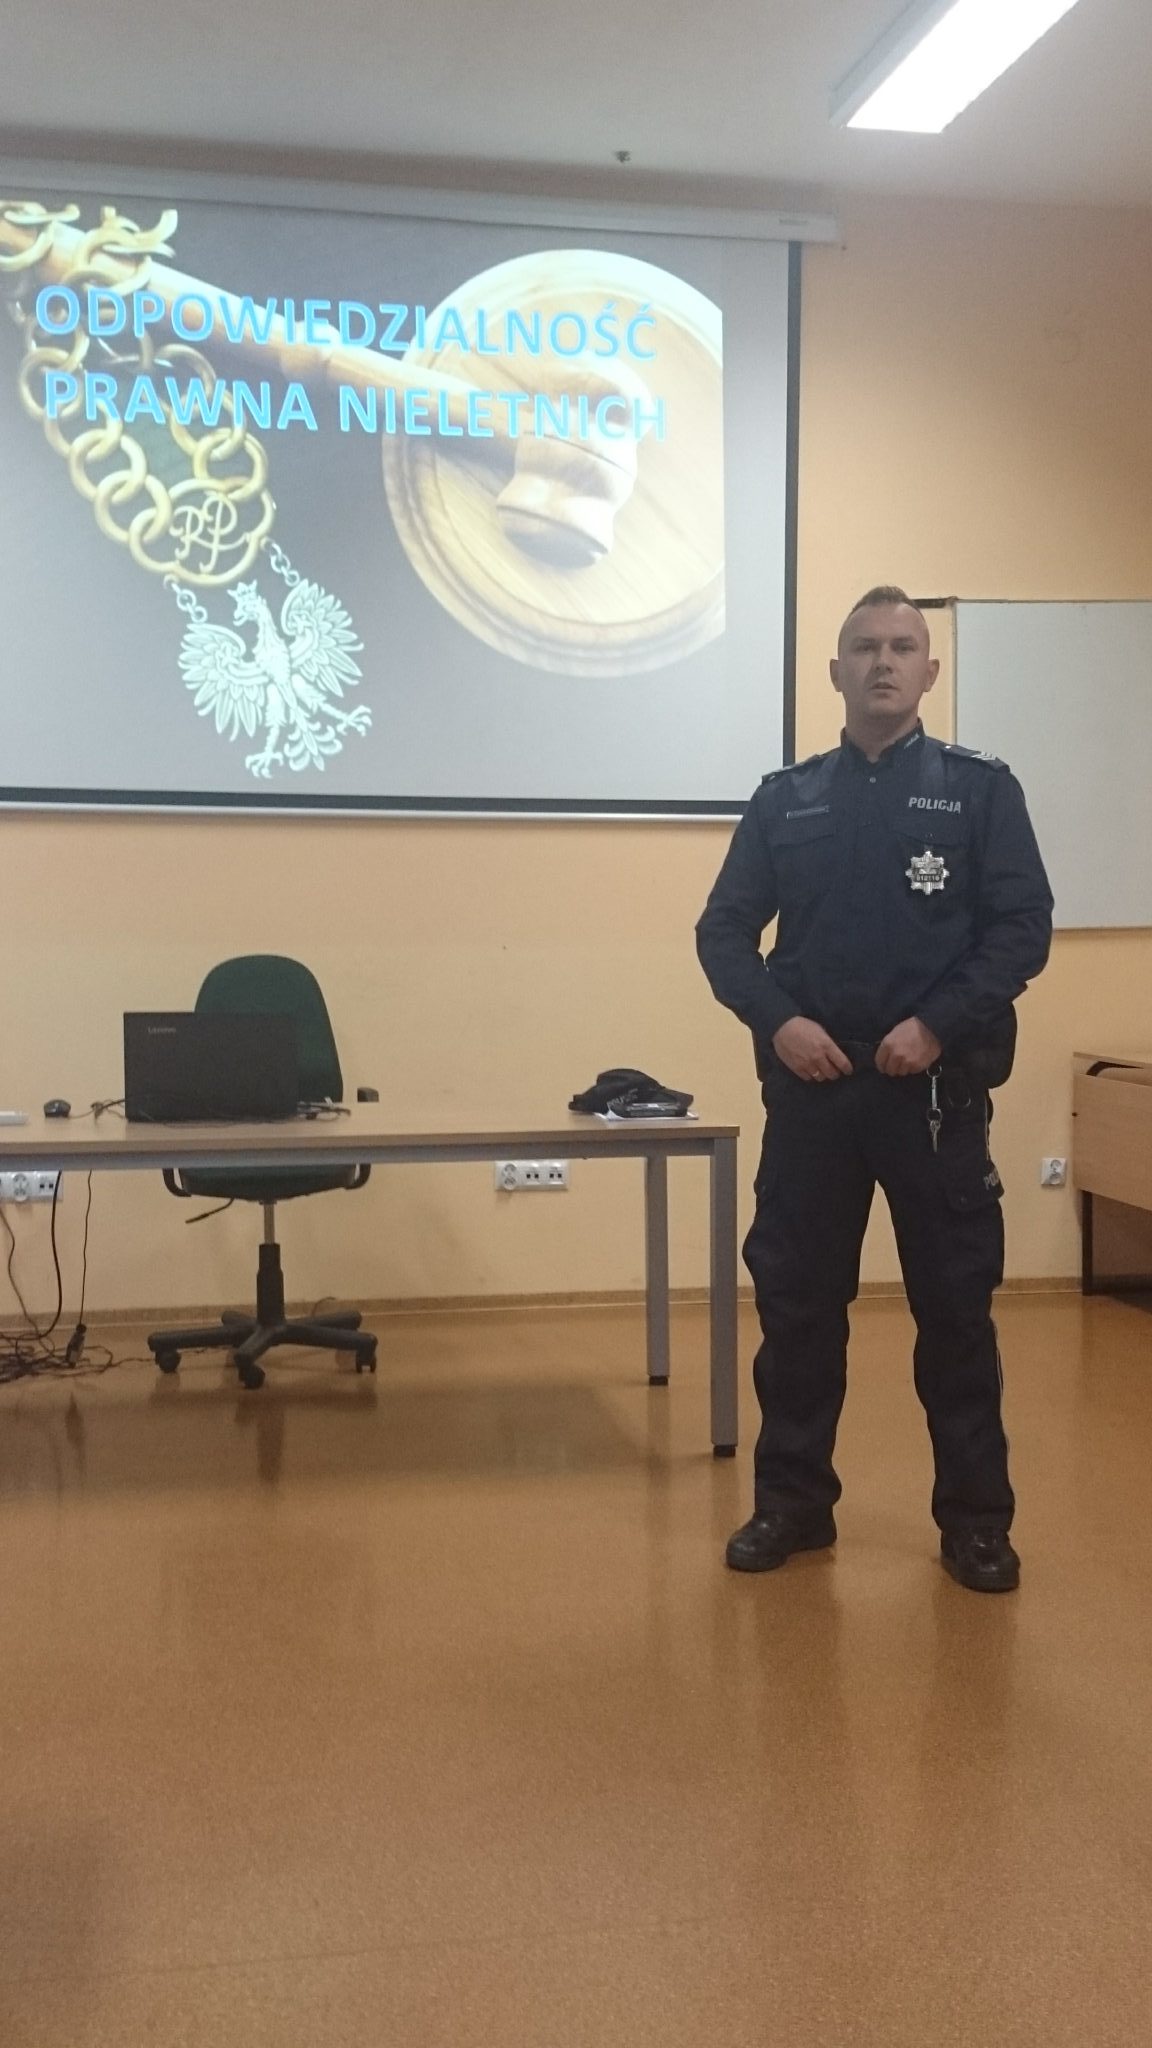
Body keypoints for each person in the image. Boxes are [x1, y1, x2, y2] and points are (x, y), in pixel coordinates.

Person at [696, 587, 1053, 1592]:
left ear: (929, 672)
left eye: (903, 647)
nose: (883, 661)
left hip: (933, 1094)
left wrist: (937, 1023)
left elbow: (1021, 927)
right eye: (864, 647)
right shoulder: (786, 799)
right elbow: (723, 933)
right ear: (836, 671)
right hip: (814, 1092)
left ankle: (976, 1522)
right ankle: (793, 1504)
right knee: (798, 1311)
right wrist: (781, 1021)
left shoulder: (980, 792)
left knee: (956, 1315)